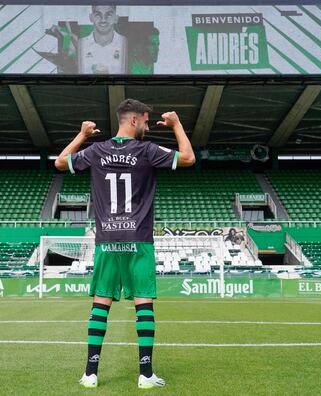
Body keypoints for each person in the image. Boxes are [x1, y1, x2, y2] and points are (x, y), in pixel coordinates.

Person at [55, 99, 195, 389]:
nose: (147, 125)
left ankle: (90, 374)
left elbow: (59, 162)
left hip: (107, 240)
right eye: (145, 121)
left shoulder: (96, 150)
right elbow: (188, 158)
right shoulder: (147, 150)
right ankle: (145, 376)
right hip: (139, 239)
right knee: (143, 304)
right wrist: (177, 124)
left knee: (100, 304)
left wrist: (82, 134)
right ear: (133, 120)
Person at [78, 5, 127, 74]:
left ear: (116, 18)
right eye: (98, 15)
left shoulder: (124, 42)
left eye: (109, 15)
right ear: (91, 17)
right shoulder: (81, 43)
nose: (103, 19)